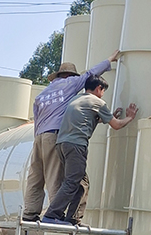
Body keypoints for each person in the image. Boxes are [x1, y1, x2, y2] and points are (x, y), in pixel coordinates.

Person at [22, 51, 119, 221]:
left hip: (38, 137)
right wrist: (110, 59)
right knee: (55, 175)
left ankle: (30, 213)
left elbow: (37, 119)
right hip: (55, 134)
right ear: (70, 75)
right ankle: (55, 214)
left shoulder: (42, 95)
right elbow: (91, 73)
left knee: (36, 176)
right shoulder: (71, 84)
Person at [41, 76, 138, 224]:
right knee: (72, 181)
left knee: (82, 182)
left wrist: (107, 117)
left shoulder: (76, 99)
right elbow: (117, 125)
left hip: (62, 144)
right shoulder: (97, 102)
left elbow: (85, 118)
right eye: (103, 91)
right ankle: (51, 215)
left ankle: (73, 218)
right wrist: (130, 117)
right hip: (76, 145)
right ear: (99, 88)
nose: (103, 95)